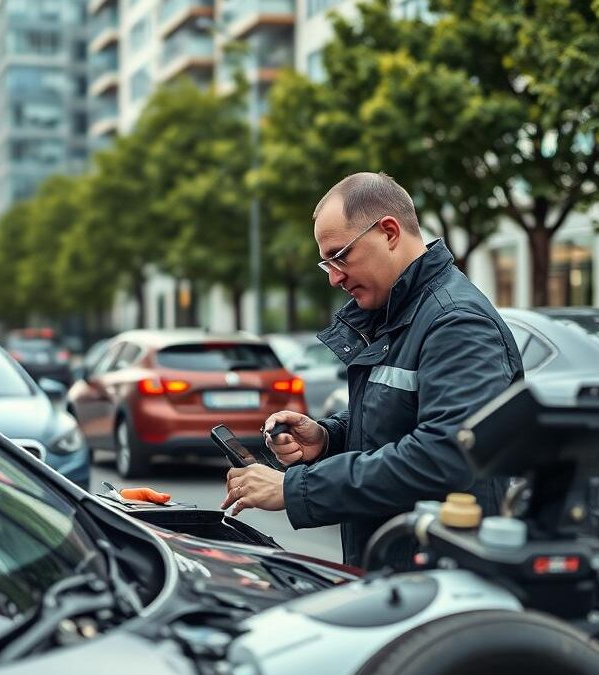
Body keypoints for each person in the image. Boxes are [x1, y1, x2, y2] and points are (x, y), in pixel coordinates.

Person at [221, 172, 523, 568]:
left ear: (389, 232)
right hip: (403, 567)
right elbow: (401, 419)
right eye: (325, 262)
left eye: (340, 256)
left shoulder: (456, 322)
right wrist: (328, 438)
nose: (333, 277)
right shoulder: (400, 314)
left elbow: (444, 455)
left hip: (440, 576)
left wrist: (295, 489)